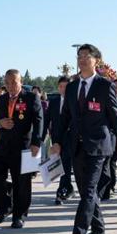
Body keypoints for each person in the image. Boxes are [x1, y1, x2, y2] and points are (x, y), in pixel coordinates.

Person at [50, 44, 117, 234]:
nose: (82, 59)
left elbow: (114, 115)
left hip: (99, 145)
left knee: (90, 188)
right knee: (86, 190)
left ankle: (78, 233)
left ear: (96, 60)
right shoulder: (73, 86)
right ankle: (99, 228)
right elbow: (65, 116)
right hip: (76, 144)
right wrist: (56, 140)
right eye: (79, 56)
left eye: (86, 56)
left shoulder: (104, 85)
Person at [0, 69, 43, 228]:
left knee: (22, 183)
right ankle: (5, 207)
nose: (10, 85)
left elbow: (39, 121)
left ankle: (19, 216)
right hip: (2, 146)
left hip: (24, 147)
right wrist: (0, 123)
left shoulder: (31, 97)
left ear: (21, 81)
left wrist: (36, 143)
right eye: (7, 82)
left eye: (14, 82)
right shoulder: (1, 99)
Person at [44, 76, 75, 205]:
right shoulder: (54, 102)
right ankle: (68, 188)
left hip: (71, 138)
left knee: (66, 165)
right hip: (57, 139)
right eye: (61, 86)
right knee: (62, 165)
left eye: (66, 87)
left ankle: (61, 191)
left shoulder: (75, 101)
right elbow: (47, 119)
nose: (63, 89)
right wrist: (41, 138)